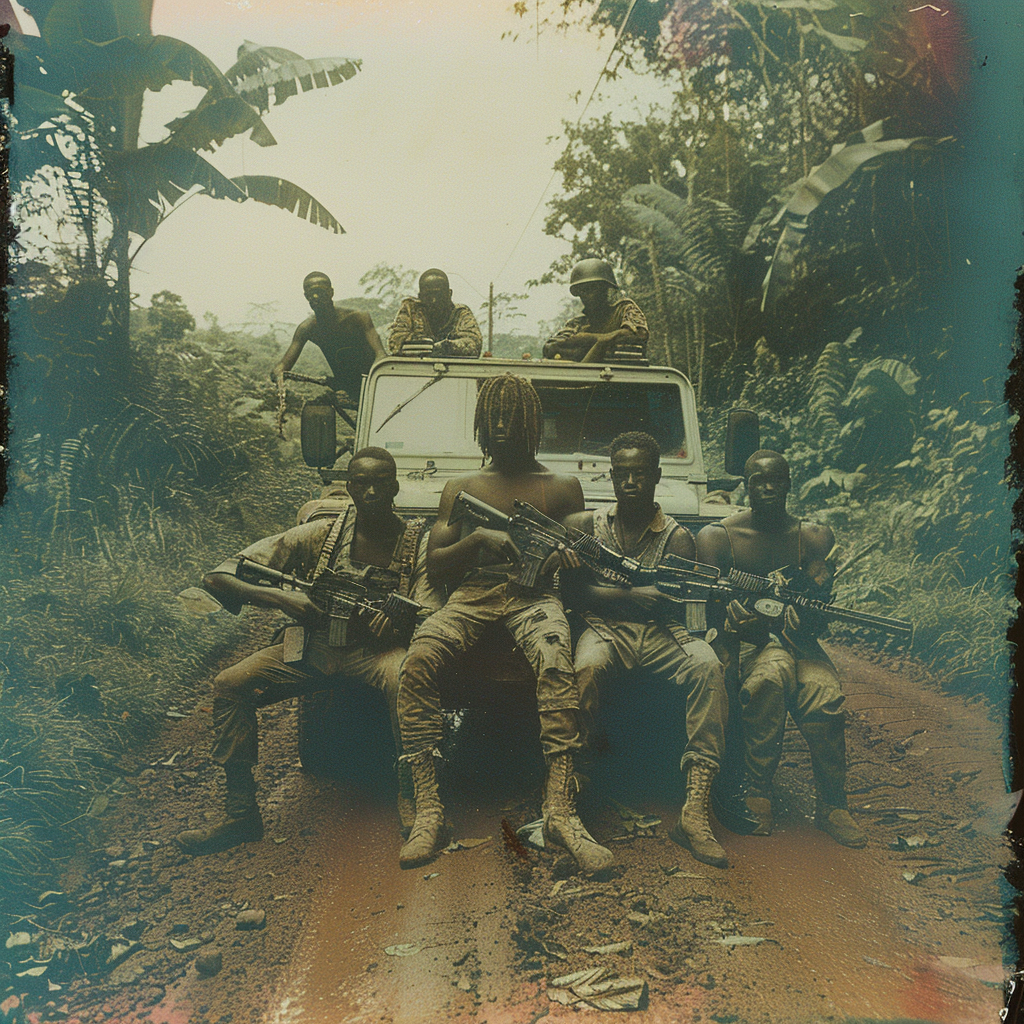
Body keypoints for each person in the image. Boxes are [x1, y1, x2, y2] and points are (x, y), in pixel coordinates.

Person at [396, 374, 613, 874]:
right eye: (492, 418)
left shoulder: (562, 487)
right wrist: (479, 542)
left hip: (535, 595)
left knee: (557, 658)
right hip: (474, 595)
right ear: (479, 424)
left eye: (512, 419)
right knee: (419, 659)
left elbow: (579, 557)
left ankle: (559, 809)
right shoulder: (463, 488)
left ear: (533, 424)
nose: (501, 428)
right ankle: (430, 809)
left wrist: (563, 560)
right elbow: (437, 564)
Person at [178, 448, 441, 855]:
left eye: (379, 483)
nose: (370, 492)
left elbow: (431, 612)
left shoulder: (416, 543)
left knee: (405, 679)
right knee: (229, 684)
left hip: (377, 651)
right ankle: (240, 812)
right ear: (349, 487)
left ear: (395, 486)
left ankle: (412, 797)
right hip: (316, 646)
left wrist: (396, 622)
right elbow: (219, 576)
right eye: (360, 483)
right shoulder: (321, 535)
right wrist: (282, 600)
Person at [559, 432, 731, 868]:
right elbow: (573, 593)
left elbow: (675, 599)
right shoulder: (588, 526)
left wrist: (632, 594)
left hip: (660, 633)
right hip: (606, 629)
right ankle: (570, 792)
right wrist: (622, 596)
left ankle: (694, 808)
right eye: (622, 474)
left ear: (656, 476)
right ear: (611, 477)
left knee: (708, 666)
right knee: (587, 668)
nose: (630, 482)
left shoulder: (675, 537)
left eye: (640, 474)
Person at [694, 450, 867, 848]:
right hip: (748, 647)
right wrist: (730, 626)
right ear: (746, 484)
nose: (768, 488)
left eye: (776, 480)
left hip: (800, 645)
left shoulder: (813, 538)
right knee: (767, 682)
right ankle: (757, 791)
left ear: (789, 484)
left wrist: (812, 603)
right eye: (758, 480)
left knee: (824, 696)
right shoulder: (719, 538)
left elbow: (821, 620)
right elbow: (704, 612)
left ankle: (833, 805)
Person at [271, 271, 386, 407]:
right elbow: (284, 365)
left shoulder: (358, 318)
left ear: (331, 293)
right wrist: (278, 371)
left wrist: (379, 375)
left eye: (320, 291)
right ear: (305, 296)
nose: (315, 296)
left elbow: (380, 354)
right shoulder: (307, 329)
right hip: (344, 388)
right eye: (310, 294)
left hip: (376, 383)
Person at [542, 259, 649, 363]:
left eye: (592, 288)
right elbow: (552, 346)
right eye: (582, 290)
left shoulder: (624, 310)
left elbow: (638, 334)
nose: (586, 295)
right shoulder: (577, 324)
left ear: (605, 289)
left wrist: (589, 338)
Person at [387, 269, 483, 357]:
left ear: (449, 294)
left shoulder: (460, 313)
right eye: (428, 296)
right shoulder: (410, 311)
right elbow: (395, 343)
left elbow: (473, 344)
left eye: (438, 295)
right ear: (420, 297)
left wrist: (445, 347)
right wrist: (423, 344)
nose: (434, 300)